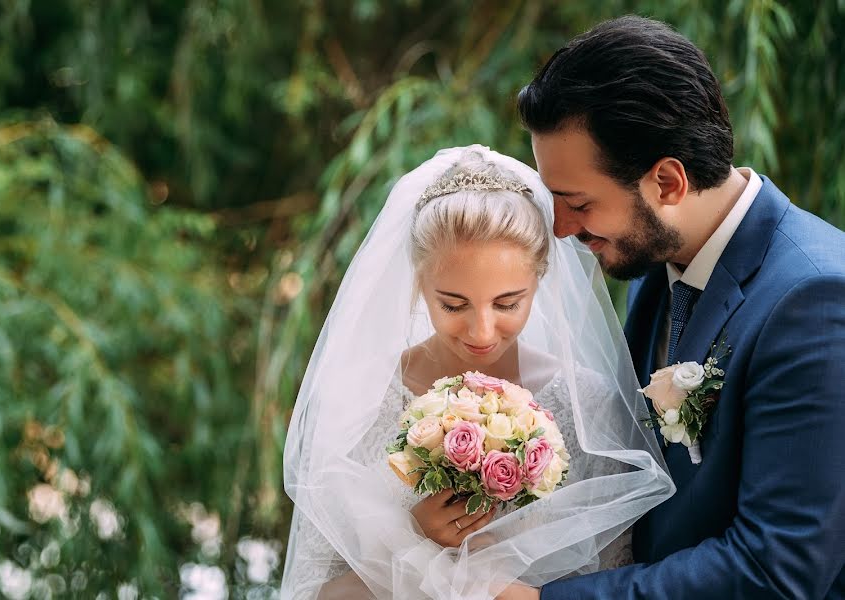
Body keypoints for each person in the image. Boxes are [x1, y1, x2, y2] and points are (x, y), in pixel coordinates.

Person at [510, 14, 845, 600]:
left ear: (667, 181)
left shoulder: (814, 301)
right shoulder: (658, 262)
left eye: (578, 202)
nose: (560, 228)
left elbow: (777, 569)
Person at [280, 146, 674, 599]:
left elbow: (619, 579)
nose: (482, 331)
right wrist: (410, 541)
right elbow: (313, 591)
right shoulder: (359, 403)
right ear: (418, 282)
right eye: (453, 304)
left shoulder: (589, 404)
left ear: (541, 278)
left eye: (508, 303)